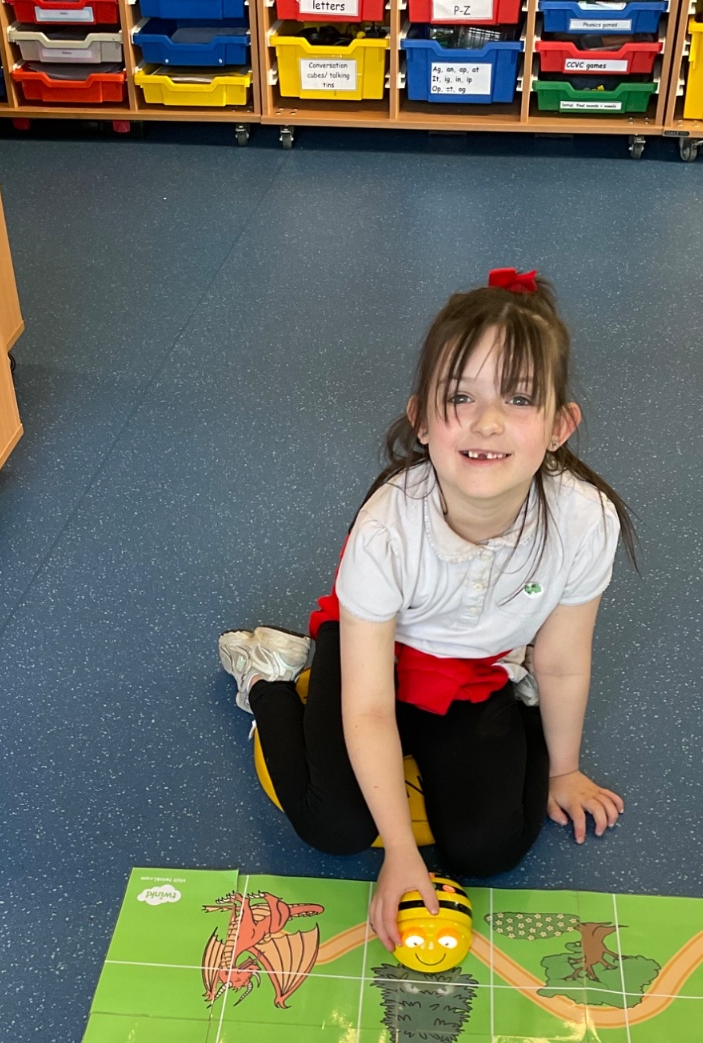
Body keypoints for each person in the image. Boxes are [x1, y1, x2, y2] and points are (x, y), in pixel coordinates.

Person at [219, 269, 636, 951]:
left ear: (560, 426)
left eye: (519, 398)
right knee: (334, 827)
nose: (486, 422)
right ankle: (268, 677)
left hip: (474, 670)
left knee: (491, 848)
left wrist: (564, 770)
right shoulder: (388, 529)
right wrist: (400, 854)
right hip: (372, 659)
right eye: (460, 397)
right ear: (421, 419)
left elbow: (561, 661)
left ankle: (516, 708)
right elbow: (367, 707)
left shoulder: (584, 519)